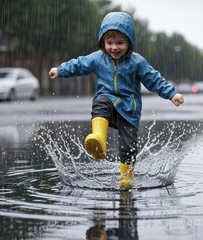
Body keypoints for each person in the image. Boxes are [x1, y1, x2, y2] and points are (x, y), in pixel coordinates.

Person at [49, 12, 184, 189]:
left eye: (120, 43)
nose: (114, 47)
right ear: (103, 42)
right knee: (101, 102)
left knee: (128, 146)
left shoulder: (137, 62)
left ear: (129, 42)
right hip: (107, 102)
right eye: (109, 43)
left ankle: (127, 178)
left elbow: (154, 79)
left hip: (129, 109)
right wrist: (60, 70)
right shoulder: (98, 58)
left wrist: (172, 94)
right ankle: (99, 139)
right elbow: (79, 64)